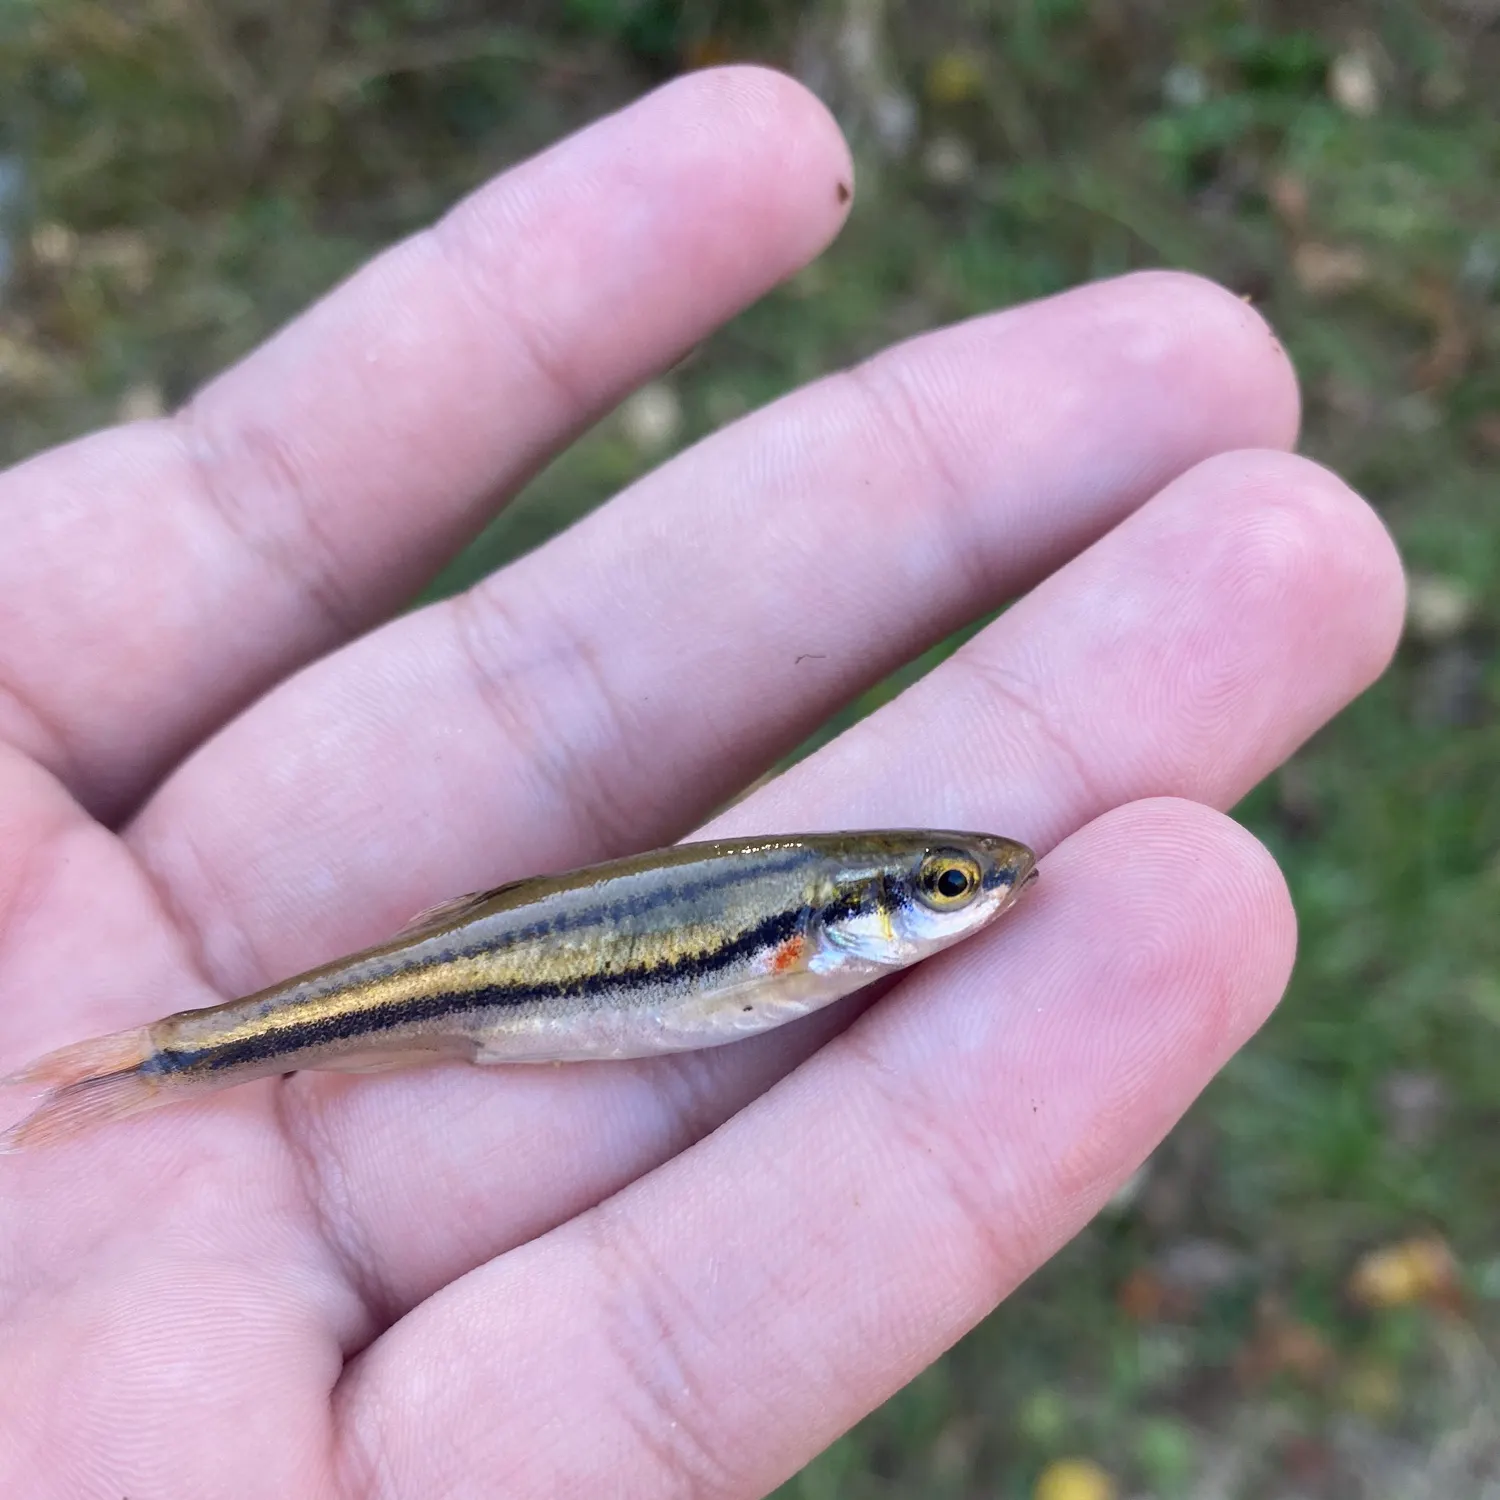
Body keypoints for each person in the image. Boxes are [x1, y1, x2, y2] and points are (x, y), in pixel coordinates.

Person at [0, 67, 1403, 1498]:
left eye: (956, 886)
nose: (980, 893)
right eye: (943, 887)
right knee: (334, 1019)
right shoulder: (799, 933)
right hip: (508, 988)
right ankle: (175, 1057)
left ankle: (173, 1057)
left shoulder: (814, 932)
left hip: (517, 984)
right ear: (842, 914)